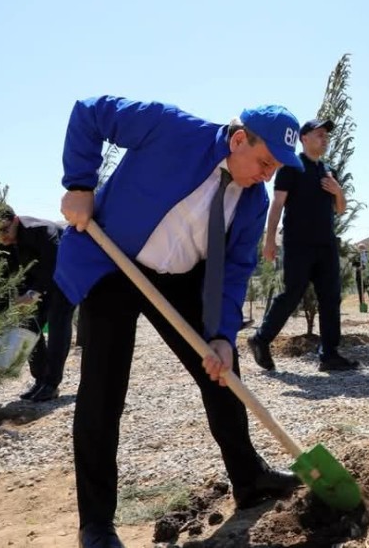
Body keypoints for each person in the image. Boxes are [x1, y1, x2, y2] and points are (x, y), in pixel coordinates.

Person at [56, 96, 303, 548]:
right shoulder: (170, 128)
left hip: (181, 280)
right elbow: (89, 113)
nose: (267, 175)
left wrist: (224, 337)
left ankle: (249, 480)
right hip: (114, 262)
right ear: (239, 139)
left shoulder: (251, 202)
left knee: (222, 373)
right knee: (103, 391)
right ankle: (96, 524)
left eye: (275, 169)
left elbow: (233, 274)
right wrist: (80, 184)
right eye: (265, 162)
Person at [248, 118, 358, 372]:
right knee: (292, 293)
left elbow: (340, 210)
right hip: (298, 244)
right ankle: (261, 339)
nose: (325, 138)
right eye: (319, 134)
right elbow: (277, 204)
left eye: (326, 135)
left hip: (326, 244)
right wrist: (269, 240)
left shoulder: (328, 171)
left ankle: (329, 354)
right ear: (304, 138)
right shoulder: (291, 167)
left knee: (331, 297)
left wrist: (337, 190)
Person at [0, 207, 76, 402]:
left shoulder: (41, 230)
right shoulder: (4, 244)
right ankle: (40, 380)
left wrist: (32, 293)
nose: (2, 237)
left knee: (58, 324)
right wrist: (6, 306)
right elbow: (4, 276)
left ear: (15, 220)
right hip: (38, 282)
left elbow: (54, 264)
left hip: (65, 278)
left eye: (5, 230)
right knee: (29, 326)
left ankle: (51, 384)